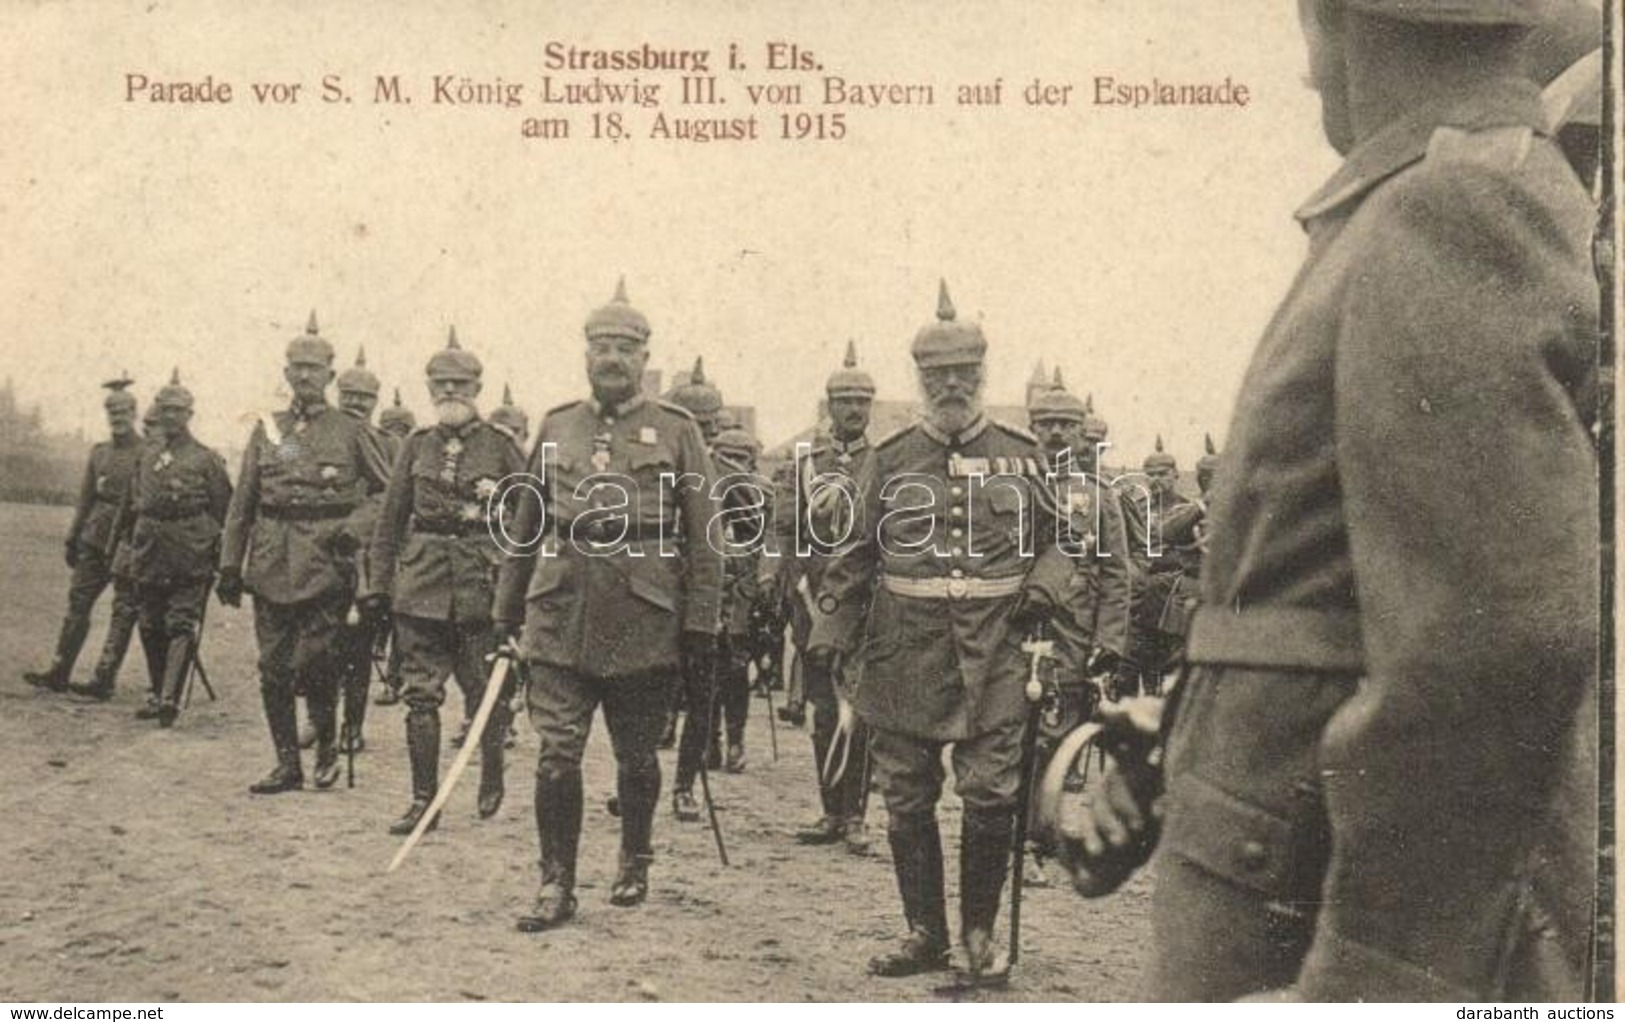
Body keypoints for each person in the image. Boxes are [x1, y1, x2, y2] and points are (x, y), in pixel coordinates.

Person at [1059, 0, 1600, 1000]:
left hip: (1312, 922)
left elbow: (1486, 653)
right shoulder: (1426, 199)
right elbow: (1317, 598)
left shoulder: (1453, 204)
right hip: (1273, 873)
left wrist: (1370, 979)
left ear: (1328, 26)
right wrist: (1170, 730)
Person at [805, 282, 1070, 982]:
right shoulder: (888, 459)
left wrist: (1042, 586)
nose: (950, 386)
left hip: (996, 651)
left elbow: (1062, 542)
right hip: (904, 651)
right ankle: (924, 932)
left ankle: (978, 934)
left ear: (980, 375)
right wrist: (831, 627)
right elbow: (856, 554)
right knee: (906, 794)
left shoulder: (1020, 452)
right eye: (936, 376)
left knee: (989, 793)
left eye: (962, 375)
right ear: (919, 380)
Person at [494, 279, 724, 930]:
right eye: (601, 346)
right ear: (585, 353)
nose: (612, 358)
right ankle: (555, 883)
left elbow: (706, 538)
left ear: (645, 354)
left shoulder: (676, 431)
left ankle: (634, 854)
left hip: (644, 615)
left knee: (635, 756)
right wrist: (504, 615)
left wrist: (701, 624)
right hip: (561, 611)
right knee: (556, 753)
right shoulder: (556, 424)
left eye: (625, 347)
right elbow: (525, 523)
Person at [218, 312, 392, 793]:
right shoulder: (267, 428)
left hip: (325, 562)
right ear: (286, 373)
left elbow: (385, 494)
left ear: (330, 377)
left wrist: (352, 531)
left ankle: (328, 747)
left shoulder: (351, 431)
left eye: (313, 369)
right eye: (296, 368)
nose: (304, 377)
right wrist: (230, 564)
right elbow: (243, 502)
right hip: (271, 560)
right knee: (272, 668)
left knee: (317, 662)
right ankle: (287, 763)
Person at [364, 327, 525, 833]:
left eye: (460, 385)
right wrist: (377, 587)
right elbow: (390, 521)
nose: (450, 394)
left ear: (477, 390)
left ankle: (491, 773)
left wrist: (516, 592)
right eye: (441, 385)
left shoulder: (501, 447)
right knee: (421, 695)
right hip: (422, 585)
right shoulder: (415, 446)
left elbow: (527, 519)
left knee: (485, 695)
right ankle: (423, 801)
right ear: (430, 390)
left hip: (481, 585)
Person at [782, 341, 878, 855]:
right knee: (823, 710)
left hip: (864, 606)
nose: (854, 411)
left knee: (858, 710)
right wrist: (797, 587)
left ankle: (857, 814)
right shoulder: (806, 463)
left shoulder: (884, 462)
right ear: (829, 406)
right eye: (845, 402)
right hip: (816, 601)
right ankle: (830, 810)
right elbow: (788, 529)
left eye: (863, 402)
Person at [118, 371, 232, 726]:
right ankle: (157, 691)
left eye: (177, 410)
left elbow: (222, 509)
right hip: (149, 550)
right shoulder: (146, 456)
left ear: (189, 415)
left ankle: (169, 698)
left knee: (180, 623)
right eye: (164, 409)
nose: (169, 416)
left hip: (189, 552)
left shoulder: (205, 459)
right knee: (150, 623)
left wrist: (207, 544)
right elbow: (134, 503)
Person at [25, 375, 145, 695]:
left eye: (122, 413)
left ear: (134, 413)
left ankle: (103, 679)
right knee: (78, 603)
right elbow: (85, 499)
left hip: (128, 543)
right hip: (94, 540)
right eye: (111, 413)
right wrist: (73, 537)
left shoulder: (146, 452)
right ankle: (59, 669)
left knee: (123, 610)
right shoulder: (99, 453)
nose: (117, 419)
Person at [332, 347, 391, 753]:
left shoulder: (388, 444)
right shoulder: (323, 436)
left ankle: (351, 726)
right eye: (349, 396)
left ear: (375, 402)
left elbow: (392, 502)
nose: (356, 404)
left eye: (364, 398)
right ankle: (319, 718)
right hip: (320, 558)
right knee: (317, 648)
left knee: (355, 649)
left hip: (364, 561)